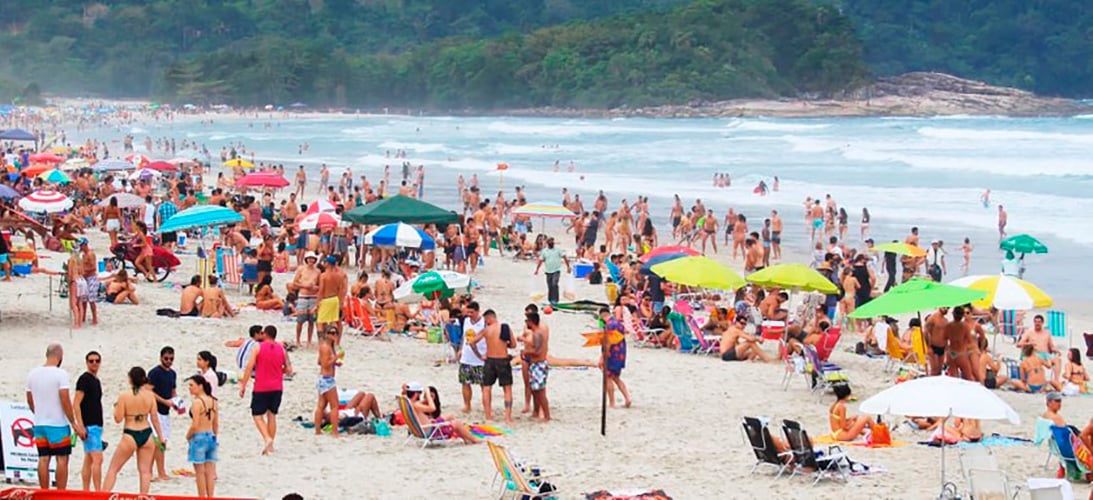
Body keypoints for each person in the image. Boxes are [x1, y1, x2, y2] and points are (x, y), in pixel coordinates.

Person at [101, 367, 163, 495]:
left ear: (130, 379)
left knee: (113, 469)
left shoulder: (124, 396)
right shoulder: (150, 395)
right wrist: (160, 437)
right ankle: (143, 496)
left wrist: (115, 407)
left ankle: (103, 496)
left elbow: (118, 419)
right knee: (145, 472)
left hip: (131, 432)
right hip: (147, 432)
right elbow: (155, 418)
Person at [26, 343, 80, 490]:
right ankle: (60, 493)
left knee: (43, 458)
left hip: (40, 422)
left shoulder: (32, 373)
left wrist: (38, 413)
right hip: (57, 423)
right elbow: (65, 399)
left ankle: (44, 491)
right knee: (62, 458)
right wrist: (73, 421)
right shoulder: (60, 374)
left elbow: (29, 399)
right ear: (60, 356)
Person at [239, 325, 293, 455]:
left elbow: (249, 367)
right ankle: (271, 446)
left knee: (257, 415)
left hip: (262, 386)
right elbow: (289, 370)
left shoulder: (258, 347)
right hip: (277, 387)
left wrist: (243, 385)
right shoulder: (282, 349)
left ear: (265, 334)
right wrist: (278, 370)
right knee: (272, 415)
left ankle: (267, 438)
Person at [469, 310, 516, 423]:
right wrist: (505, 344)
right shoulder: (505, 328)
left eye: (486, 321)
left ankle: (488, 415)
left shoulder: (486, 330)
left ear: (489, 318)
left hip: (490, 361)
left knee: (486, 388)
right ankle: (508, 417)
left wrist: (479, 356)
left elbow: (472, 342)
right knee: (507, 389)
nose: (486, 323)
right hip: (503, 360)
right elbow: (514, 345)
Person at [404, 382, 480, 444]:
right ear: (416, 394)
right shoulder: (416, 405)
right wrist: (428, 395)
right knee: (456, 423)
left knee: (450, 416)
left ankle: (466, 439)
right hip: (431, 431)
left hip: (425, 428)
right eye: (420, 393)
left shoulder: (409, 403)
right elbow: (432, 408)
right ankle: (474, 440)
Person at [73, 351, 104, 491]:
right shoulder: (84, 379)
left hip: (96, 424)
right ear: (86, 362)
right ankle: (98, 491)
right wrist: (80, 425)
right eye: (91, 361)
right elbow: (76, 403)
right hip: (89, 425)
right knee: (98, 459)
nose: (94, 363)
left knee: (89, 459)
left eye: (97, 361)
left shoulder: (96, 381)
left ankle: (86, 490)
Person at [147, 346, 178, 482]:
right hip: (155, 411)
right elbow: (149, 391)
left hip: (166, 413)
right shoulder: (154, 373)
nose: (169, 361)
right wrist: (164, 401)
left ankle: (159, 471)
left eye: (171, 359)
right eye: (166, 358)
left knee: (162, 442)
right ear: (161, 358)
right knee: (156, 443)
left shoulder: (172, 374)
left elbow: (173, 391)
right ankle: (156, 472)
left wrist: (176, 402)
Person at [185, 375, 218, 498]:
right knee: (209, 471)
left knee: (199, 472)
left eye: (192, 385)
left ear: (200, 386)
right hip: (211, 436)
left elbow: (195, 425)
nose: (190, 388)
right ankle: (210, 496)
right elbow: (216, 424)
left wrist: (188, 436)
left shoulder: (197, 403)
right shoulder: (214, 401)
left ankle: (201, 496)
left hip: (199, 437)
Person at [598, 307, 632, 408]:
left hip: (612, 353)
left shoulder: (609, 326)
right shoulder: (618, 323)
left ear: (601, 316)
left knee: (608, 377)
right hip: (621, 352)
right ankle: (627, 397)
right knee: (616, 377)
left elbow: (608, 343)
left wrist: (603, 357)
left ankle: (612, 402)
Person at [458, 302, 487, 414]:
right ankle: (467, 405)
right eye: (468, 312)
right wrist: (460, 349)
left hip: (481, 357)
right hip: (466, 356)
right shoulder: (466, 321)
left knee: (483, 384)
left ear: (478, 311)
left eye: (472, 312)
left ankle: (486, 406)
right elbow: (464, 336)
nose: (469, 314)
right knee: (465, 382)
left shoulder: (484, 322)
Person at [523, 312, 552, 422]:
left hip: (539, 365)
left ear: (531, 322)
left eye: (527, 321)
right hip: (535, 364)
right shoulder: (536, 333)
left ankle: (547, 416)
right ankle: (536, 412)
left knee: (540, 392)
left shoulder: (538, 334)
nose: (526, 324)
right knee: (534, 390)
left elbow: (537, 351)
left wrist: (526, 352)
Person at [314, 326, 340, 436]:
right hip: (327, 379)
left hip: (324, 379)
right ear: (326, 334)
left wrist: (335, 362)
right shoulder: (326, 347)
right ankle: (335, 432)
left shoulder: (328, 346)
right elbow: (324, 364)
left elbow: (319, 362)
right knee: (334, 406)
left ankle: (318, 431)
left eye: (335, 333)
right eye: (331, 333)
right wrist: (335, 358)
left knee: (321, 405)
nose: (334, 335)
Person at [291, 252, 321, 346]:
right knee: (300, 320)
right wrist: (304, 286)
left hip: (313, 296)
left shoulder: (317, 271)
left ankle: (309, 340)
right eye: (309, 258)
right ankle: (298, 339)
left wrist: (313, 287)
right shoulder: (301, 269)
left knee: (311, 321)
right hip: (303, 296)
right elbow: (294, 283)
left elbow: (320, 286)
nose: (311, 260)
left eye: (312, 259)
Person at [316, 255, 347, 340]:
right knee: (334, 321)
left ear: (328, 264)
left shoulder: (323, 275)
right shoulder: (339, 276)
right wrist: (341, 302)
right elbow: (341, 290)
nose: (324, 263)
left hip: (326, 299)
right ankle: (336, 340)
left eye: (325, 262)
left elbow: (321, 290)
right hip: (335, 299)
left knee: (320, 322)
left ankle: (321, 341)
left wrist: (317, 303)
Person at [534, 237, 570, 305]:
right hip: (548, 270)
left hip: (557, 270)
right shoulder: (544, 251)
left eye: (552, 242)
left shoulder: (558, 250)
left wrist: (568, 267)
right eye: (550, 242)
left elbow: (565, 257)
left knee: (554, 284)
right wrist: (537, 269)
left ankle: (555, 300)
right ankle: (550, 299)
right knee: (550, 285)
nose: (551, 243)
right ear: (547, 243)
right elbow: (541, 260)